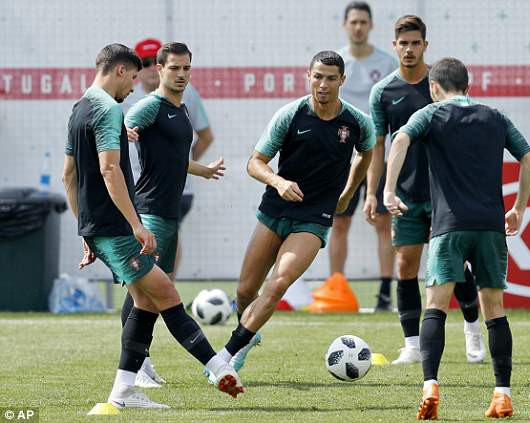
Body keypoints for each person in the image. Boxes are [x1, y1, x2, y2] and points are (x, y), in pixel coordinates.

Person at [62, 44, 243, 410]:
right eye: (132, 76)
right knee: (167, 295)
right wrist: (136, 226)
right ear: (119, 71)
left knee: (146, 300)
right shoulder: (109, 109)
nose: (134, 86)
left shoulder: (79, 108)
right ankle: (219, 367)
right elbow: (109, 170)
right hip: (120, 225)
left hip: (103, 226)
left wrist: (85, 229)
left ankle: (124, 391)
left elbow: (70, 175)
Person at [383, 57, 530, 419]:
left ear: (434, 87)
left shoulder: (431, 114)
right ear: (468, 85)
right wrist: (518, 208)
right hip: (489, 225)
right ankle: (502, 393)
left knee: (436, 306)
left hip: (448, 226)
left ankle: (431, 386)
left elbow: (400, 139)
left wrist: (389, 191)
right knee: (495, 311)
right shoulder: (495, 116)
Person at [209, 50, 375, 380]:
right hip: (276, 208)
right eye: (317, 76)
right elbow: (254, 163)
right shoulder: (291, 114)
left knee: (278, 283)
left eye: (330, 78)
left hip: (314, 217)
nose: (323, 84)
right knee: (245, 291)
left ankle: (228, 355)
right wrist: (278, 180)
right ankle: (249, 332)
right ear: (308, 76)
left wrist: (350, 192)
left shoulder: (357, 123)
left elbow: (367, 153)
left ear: (342, 80)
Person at [366, 16, 484, 365]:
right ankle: (413, 346)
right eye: (403, 43)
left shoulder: (443, 84)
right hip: (405, 194)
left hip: (446, 194)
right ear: (394, 46)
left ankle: (473, 329)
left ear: (425, 46)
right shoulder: (383, 92)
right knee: (405, 265)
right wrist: (372, 192)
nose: (409, 49)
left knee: (453, 264)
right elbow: (378, 147)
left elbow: (465, 135)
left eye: (415, 43)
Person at [124, 42, 226, 388]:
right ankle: (135, 367)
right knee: (141, 292)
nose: (181, 75)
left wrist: (204, 170)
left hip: (169, 214)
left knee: (154, 290)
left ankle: (140, 362)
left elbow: (174, 160)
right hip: (149, 211)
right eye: (174, 68)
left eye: (186, 69)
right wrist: (125, 131)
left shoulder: (180, 110)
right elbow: (119, 127)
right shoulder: (150, 106)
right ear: (160, 69)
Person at [325, 1, 398, 310]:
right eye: (352, 22)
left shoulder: (387, 63)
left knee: (383, 221)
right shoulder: (337, 65)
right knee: (339, 222)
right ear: (345, 25)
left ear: (370, 25)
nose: (357, 27)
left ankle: (384, 292)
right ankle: (336, 288)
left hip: (377, 154)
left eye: (362, 22)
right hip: (342, 157)